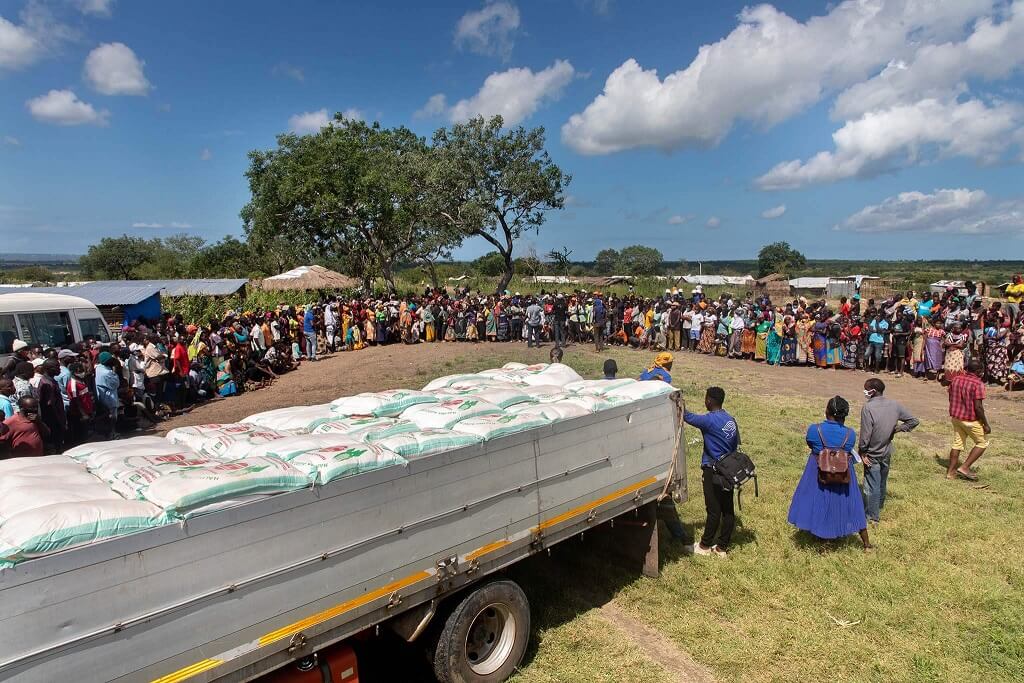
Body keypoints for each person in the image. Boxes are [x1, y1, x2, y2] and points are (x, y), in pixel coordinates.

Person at [787, 396, 872, 550]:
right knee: (850, 504)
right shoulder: (850, 434)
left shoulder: (815, 429)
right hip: (843, 474)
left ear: (827, 411)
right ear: (844, 415)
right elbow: (847, 449)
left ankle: (820, 536)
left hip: (818, 471)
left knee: (816, 499)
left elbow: (810, 444)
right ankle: (866, 543)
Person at [685, 387, 740, 557]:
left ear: (709, 400)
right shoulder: (730, 420)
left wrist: (677, 401)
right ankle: (722, 547)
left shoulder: (709, 421)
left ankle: (704, 546)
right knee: (728, 510)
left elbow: (687, 416)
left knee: (713, 509)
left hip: (713, 470)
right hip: (729, 469)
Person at [857, 378, 919, 523]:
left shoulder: (868, 408)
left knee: (871, 486)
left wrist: (862, 451)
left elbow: (866, 434)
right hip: (886, 451)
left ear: (872, 391)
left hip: (872, 453)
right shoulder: (894, 405)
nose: (865, 391)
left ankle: (872, 517)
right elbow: (913, 421)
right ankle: (879, 506)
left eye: (866, 389)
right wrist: (896, 429)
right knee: (882, 482)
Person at [945, 359, 990, 481]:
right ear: (979, 371)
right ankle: (964, 467)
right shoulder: (978, 384)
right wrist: (985, 424)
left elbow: (951, 397)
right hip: (971, 420)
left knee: (957, 444)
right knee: (982, 443)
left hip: (956, 418)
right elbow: (978, 407)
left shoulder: (956, 379)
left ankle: (950, 472)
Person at [94, 351, 121, 440]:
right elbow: (115, 384)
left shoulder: (98, 368)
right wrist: (114, 371)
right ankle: (112, 433)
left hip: (101, 396)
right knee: (112, 417)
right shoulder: (107, 373)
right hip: (109, 397)